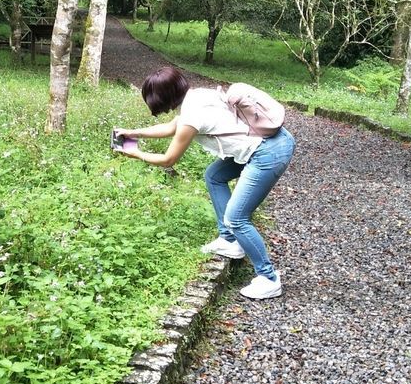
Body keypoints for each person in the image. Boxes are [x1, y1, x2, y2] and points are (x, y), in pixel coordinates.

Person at [115, 66, 295, 299]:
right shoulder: (197, 96)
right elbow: (172, 127)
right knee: (214, 176)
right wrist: (133, 132)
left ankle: (268, 278)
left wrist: (136, 153)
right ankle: (229, 241)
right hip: (266, 144)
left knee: (236, 217)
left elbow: (169, 159)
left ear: (163, 98)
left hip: (268, 152)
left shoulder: (193, 115)